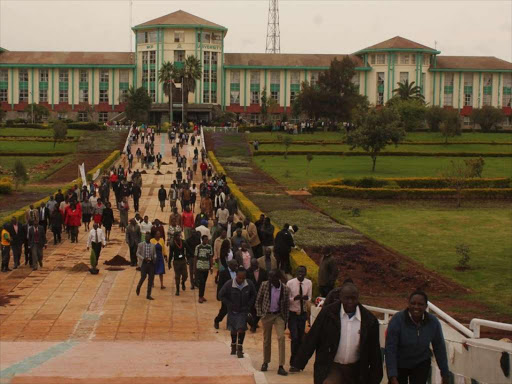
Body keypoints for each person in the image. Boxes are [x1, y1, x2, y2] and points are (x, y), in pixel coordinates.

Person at [294, 282, 383, 384]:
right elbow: (313, 337)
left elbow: (374, 350)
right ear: (340, 297)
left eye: (353, 298)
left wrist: (376, 376)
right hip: (332, 366)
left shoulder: (369, 320)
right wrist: (300, 361)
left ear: (358, 298)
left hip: (356, 370)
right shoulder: (328, 314)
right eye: (347, 298)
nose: (350, 302)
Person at [385, 291, 450, 384]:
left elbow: (439, 347)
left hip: (421, 363)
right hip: (400, 363)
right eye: (413, 303)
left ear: (426, 306)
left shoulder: (433, 322)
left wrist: (445, 374)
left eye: (420, 304)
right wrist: (392, 376)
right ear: (408, 304)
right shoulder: (397, 320)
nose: (416, 307)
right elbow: (390, 349)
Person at [256, 269, 290, 376]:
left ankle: (281, 366)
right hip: (267, 315)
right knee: (267, 339)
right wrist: (261, 314)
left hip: (278, 315)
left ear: (278, 278)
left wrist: (286, 321)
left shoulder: (285, 289)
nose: (270, 279)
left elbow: (286, 306)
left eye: (272, 277)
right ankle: (265, 362)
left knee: (281, 338)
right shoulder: (265, 285)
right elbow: (258, 300)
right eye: (269, 277)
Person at [219, 266, 257, 358]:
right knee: (233, 329)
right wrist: (229, 304)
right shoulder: (229, 284)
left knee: (241, 328)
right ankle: (233, 346)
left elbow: (254, 295)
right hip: (232, 311)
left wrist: (249, 305)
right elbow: (221, 295)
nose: (241, 280)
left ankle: (240, 348)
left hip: (243, 310)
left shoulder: (249, 284)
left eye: (243, 278)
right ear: (236, 276)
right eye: (239, 278)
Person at [287, 266, 312, 372]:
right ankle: (292, 362)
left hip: (302, 314)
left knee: (301, 338)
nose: (300, 273)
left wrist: (306, 298)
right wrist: (294, 299)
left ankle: (297, 363)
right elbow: (286, 299)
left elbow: (310, 297)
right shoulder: (290, 283)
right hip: (293, 314)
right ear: (296, 272)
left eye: (303, 272)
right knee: (295, 337)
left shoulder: (309, 283)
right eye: (299, 271)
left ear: (305, 273)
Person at [214, 259, 238, 329]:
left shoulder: (237, 272)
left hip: (236, 295)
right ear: (230, 265)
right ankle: (217, 320)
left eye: (236, 266)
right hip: (227, 296)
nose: (236, 267)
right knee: (224, 310)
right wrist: (218, 295)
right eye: (234, 266)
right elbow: (220, 285)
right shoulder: (223, 273)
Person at [247, 258, 268, 332]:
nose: (253, 267)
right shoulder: (248, 271)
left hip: (261, 294)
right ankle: (254, 323)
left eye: (254, 265)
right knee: (252, 309)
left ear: (257, 264)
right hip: (251, 294)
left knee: (260, 310)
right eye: (252, 265)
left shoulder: (264, 272)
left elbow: (266, 282)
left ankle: (254, 325)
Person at [136, 233, 156, 300]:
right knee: (143, 277)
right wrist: (143, 258)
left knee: (150, 280)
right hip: (144, 263)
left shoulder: (153, 245)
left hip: (151, 264)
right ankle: (138, 286)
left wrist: (154, 259)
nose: (147, 238)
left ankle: (148, 294)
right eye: (146, 237)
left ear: (150, 238)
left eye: (148, 237)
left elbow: (155, 254)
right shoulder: (141, 244)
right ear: (144, 238)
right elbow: (137, 253)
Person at [194, 235, 213, 303]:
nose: (206, 241)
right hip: (200, 267)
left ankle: (202, 295)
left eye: (207, 239)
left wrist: (211, 267)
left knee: (204, 282)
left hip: (206, 267)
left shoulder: (209, 247)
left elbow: (210, 257)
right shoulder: (198, 247)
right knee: (201, 282)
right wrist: (195, 267)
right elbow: (195, 257)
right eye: (205, 239)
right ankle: (200, 297)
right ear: (202, 240)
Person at [168, 231, 188, 296]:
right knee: (177, 276)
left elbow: (187, 249)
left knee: (185, 275)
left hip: (183, 261)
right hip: (176, 261)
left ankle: (183, 282)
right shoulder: (172, 244)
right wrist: (169, 263)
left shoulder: (183, 242)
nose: (178, 237)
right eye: (177, 236)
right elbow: (171, 254)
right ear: (174, 237)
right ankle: (177, 290)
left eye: (179, 236)